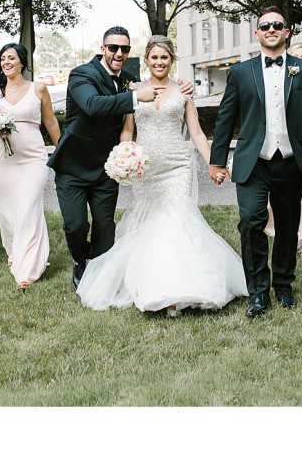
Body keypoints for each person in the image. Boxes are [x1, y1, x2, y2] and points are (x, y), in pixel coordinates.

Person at [78, 36, 248, 315]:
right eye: (154, 57)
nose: (159, 62)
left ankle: (187, 288)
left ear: (172, 60)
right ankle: (155, 287)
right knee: (150, 224)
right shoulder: (134, 90)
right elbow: (128, 130)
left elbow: (196, 133)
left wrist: (212, 164)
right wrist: (123, 155)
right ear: (146, 60)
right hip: (146, 168)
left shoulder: (183, 92)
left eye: (164, 57)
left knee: (177, 220)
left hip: (177, 167)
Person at [48, 26, 193, 290]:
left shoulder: (128, 78)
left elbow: (155, 88)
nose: (118, 53)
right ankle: (81, 260)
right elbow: (93, 105)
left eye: (124, 49)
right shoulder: (82, 74)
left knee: (105, 225)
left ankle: (103, 271)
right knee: (75, 224)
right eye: (113, 47)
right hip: (74, 165)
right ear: (102, 49)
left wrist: (182, 83)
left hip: (108, 166)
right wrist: (135, 97)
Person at [210, 7, 302, 317]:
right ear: (257, 33)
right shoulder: (240, 72)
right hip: (254, 161)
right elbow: (226, 118)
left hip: (291, 160)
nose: (271, 29)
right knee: (251, 222)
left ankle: (284, 284)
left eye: (278, 25)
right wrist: (217, 160)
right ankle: (258, 291)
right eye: (265, 26)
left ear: (287, 32)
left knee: (289, 227)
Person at [0, 43, 62, 290]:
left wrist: (61, 150)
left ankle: (27, 270)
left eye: (11, 57)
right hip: (2, 158)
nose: (6, 62)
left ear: (22, 62)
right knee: (8, 212)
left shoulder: (38, 88)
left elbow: (50, 122)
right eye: (3, 58)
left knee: (29, 207)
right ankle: (15, 254)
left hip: (32, 157)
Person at [263, 43, 302, 253]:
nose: (301, 60)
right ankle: (281, 231)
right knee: (283, 198)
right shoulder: (277, 82)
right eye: (297, 56)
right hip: (281, 149)